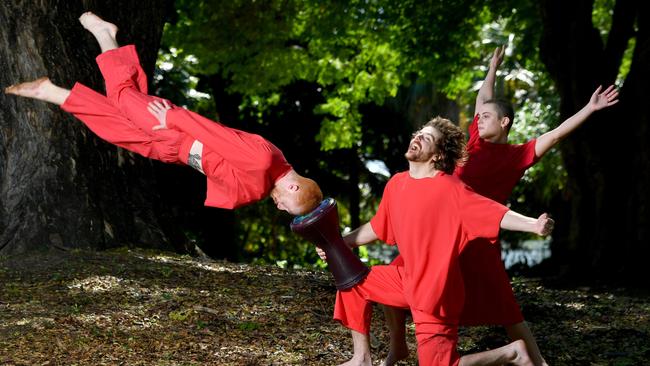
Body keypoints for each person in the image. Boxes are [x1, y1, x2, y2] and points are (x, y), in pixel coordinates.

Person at [378, 46, 619, 365]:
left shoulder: (517, 156)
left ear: (505, 122)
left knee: (506, 310)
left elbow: (557, 134)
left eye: (488, 116)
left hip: (479, 239)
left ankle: (538, 362)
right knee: (391, 281)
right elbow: (484, 100)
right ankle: (398, 346)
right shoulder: (475, 141)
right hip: (444, 234)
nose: (479, 117)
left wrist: (590, 108)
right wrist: (493, 67)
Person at [4, 12, 322, 216]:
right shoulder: (265, 162)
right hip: (174, 129)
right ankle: (103, 34)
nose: (278, 206)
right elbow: (218, 135)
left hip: (175, 150)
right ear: (294, 188)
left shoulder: (268, 175)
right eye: (286, 206)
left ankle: (52, 91)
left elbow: (229, 178)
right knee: (123, 97)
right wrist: (174, 118)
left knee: (115, 128)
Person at [327, 116, 554, 366]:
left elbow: (494, 212)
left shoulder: (451, 189)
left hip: (436, 295)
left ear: (436, 155)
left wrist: (534, 225)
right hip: (406, 279)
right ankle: (362, 358)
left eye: (426, 138)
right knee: (351, 281)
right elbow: (378, 226)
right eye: (418, 133)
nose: (417, 137)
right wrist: (341, 243)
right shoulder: (396, 184)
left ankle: (512, 353)